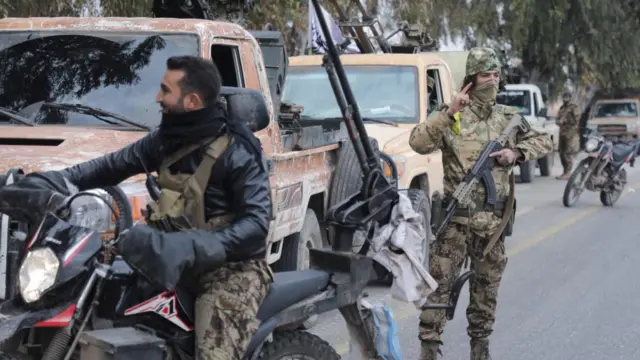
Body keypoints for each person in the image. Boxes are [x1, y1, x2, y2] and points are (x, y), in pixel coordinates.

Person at [59, 56, 273, 360]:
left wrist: (193, 243)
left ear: (191, 100)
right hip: (167, 258)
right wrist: (55, 181)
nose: (157, 98)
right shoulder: (165, 140)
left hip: (230, 271)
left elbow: (256, 225)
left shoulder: (238, 150)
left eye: (164, 90)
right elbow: (108, 167)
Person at [408, 47, 553, 360]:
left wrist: (516, 153)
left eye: (497, 74)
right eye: (487, 74)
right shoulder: (454, 114)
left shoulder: (507, 118)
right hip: (454, 225)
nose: (493, 80)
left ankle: (480, 351)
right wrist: (448, 113)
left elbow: (545, 140)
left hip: (491, 228)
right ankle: (429, 352)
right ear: (472, 78)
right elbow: (418, 142)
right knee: (437, 293)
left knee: (485, 296)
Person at [555, 91, 582, 179]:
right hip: (562, 132)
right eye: (564, 97)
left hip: (571, 133)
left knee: (568, 152)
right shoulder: (562, 108)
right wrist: (559, 122)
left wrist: (566, 120)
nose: (565, 99)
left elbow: (577, 120)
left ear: (570, 98)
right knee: (561, 153)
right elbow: (558, 119)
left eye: (566, 97)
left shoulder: (574, 107)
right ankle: (564, 171)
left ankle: (568, 172)